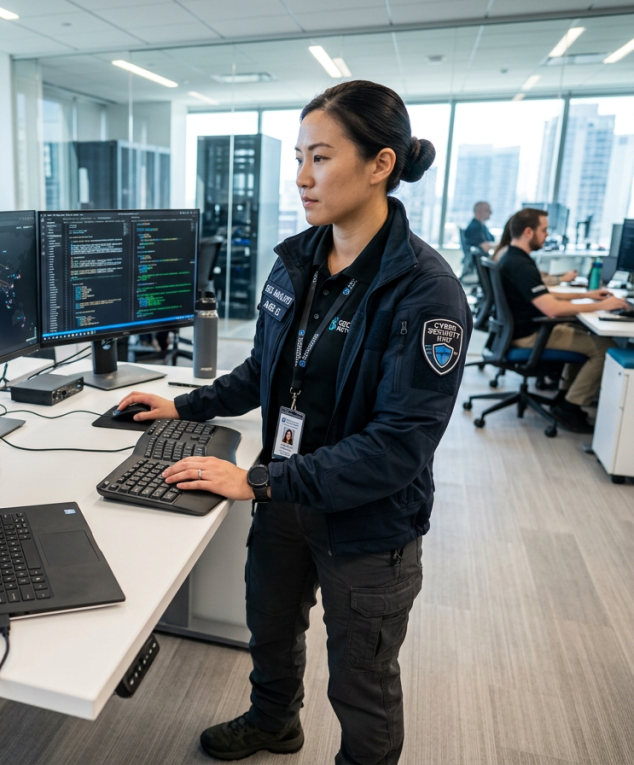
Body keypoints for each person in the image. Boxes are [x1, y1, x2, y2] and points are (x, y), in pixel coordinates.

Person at [116, 80, 471, 765]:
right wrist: (185, 405)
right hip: (287, 495)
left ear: (380, 164)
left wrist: (257, 481)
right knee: (271, 629)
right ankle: (274, 722)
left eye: (321, 158)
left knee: (361, 682)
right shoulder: (297, 261)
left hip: (366, 521)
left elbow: (398, 447)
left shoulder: (427, 293)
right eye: (299, 158)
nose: (303, 177)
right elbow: (266, 369)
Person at [498, 207, 625, 433]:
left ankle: (565, 396)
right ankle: (569, 407)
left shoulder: (513, 258)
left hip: (519, 330)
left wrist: (587, 296)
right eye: (544, 230)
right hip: (530, 335)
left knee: (586, 337)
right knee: (604, 348)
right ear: (528, 232)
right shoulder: (521, 265)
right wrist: (603, 306)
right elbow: (551, 308)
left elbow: (545, 294)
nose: (547, 235)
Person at [493, 214, 577, 286]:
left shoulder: (506, 251)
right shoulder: (511, 256)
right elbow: (531, 281)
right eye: (543, 230)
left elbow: (531, 275)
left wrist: (560, 275)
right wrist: (562, 279)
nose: (546, 234)